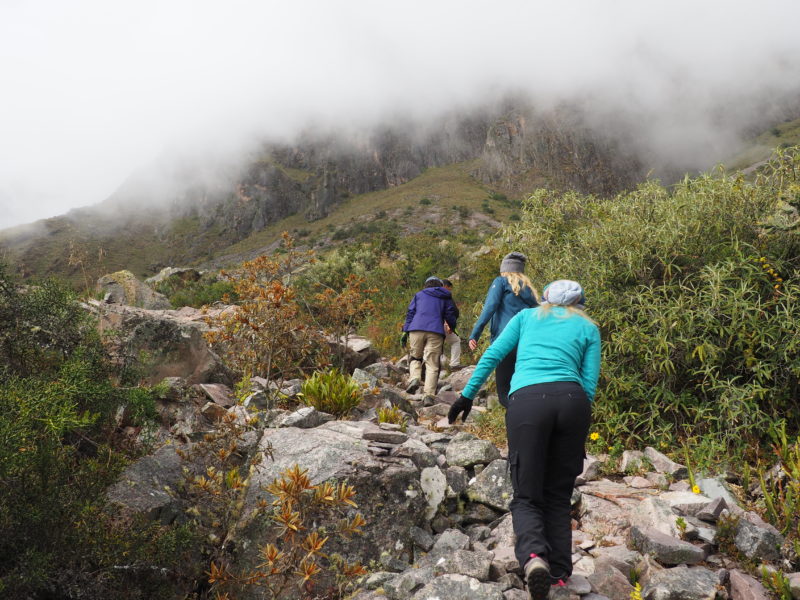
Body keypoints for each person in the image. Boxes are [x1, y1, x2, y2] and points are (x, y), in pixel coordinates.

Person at [448, 280, 600, 599]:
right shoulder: (588, 327)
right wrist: (575, 430)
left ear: (544, 299)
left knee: (527, 494)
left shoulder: (526, 318)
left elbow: (492, 356)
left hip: (528, 402)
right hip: (573, 402)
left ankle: (533, 558)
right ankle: (559, 572)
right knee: (558, 494)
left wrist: (466, 395)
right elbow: (588, 384)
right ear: (579, 303)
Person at [468, 252, 538, 407]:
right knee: (522, 387)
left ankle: (516, 422)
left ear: (505, 269)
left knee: (504, 392)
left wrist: (475, 334)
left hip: (505, 342)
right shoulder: (529, 290)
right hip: (527, 344)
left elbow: (490, 307)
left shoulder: (500, 282)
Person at [401, 276, 459, 399]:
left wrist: (405, 331)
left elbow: (410, 313)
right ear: (440, 285)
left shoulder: (419, 295)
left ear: (426, 285)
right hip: (435, 331)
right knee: (432, 364)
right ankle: (428, 396)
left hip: (416, 329)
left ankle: (415, 378)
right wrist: (452, 327)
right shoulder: (445, 296)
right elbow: (450, 314)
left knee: (415, 357)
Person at [440, 279, 462, 370]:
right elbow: (450, 311)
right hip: (443, 324)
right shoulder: (445, 295)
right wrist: (450, 326)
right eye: (449, 288)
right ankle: (454, 364)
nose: (450, 290)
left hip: (427, 326)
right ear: (445, 286)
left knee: (433, 344)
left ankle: (427, 364)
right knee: (455, 341)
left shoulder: (430, 296)